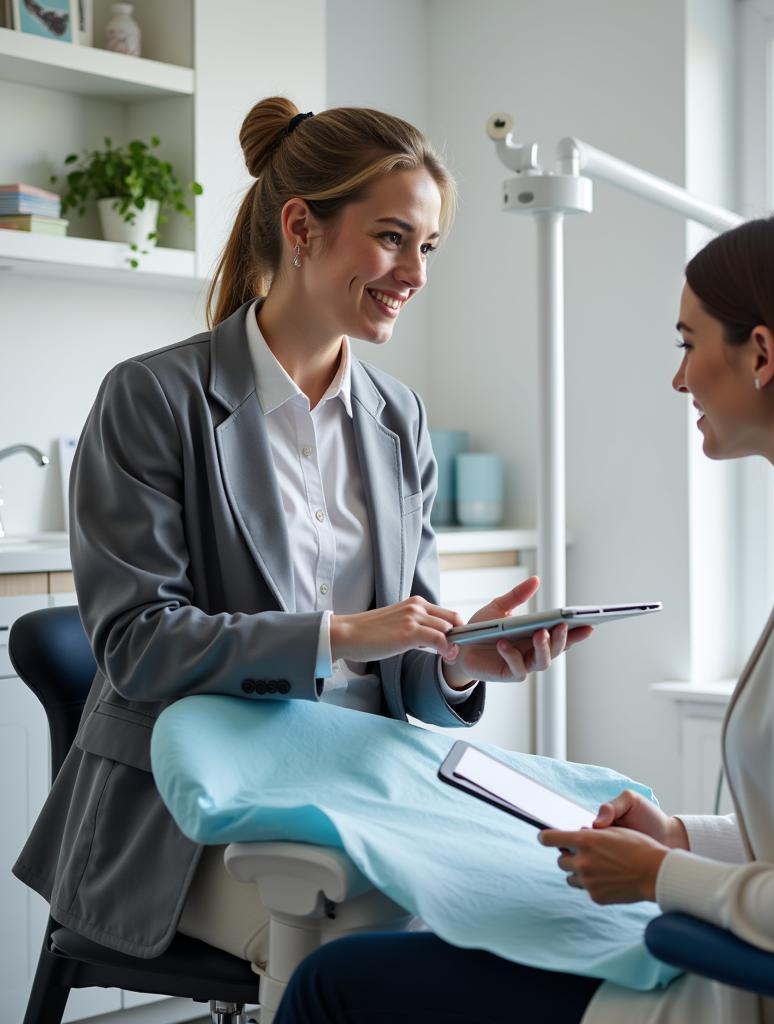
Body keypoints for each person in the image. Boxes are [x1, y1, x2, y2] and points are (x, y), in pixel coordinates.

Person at [272, 207, 774, 1024]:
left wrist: (655, 877)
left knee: (334, 984)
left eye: (688, 344)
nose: (680, 379)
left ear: (762, 354)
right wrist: (677, 836)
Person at [12, 97, 590, 967]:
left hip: (360, 786)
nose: (416, 273)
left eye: (426, 247)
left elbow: (407, 665)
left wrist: (460, 658)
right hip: (193, 813)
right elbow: (137, 644)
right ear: (301, 227)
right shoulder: (153, 399)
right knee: (374, 946)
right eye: (393, 238)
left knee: (532, 890)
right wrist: (344, 634)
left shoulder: (401, 419)